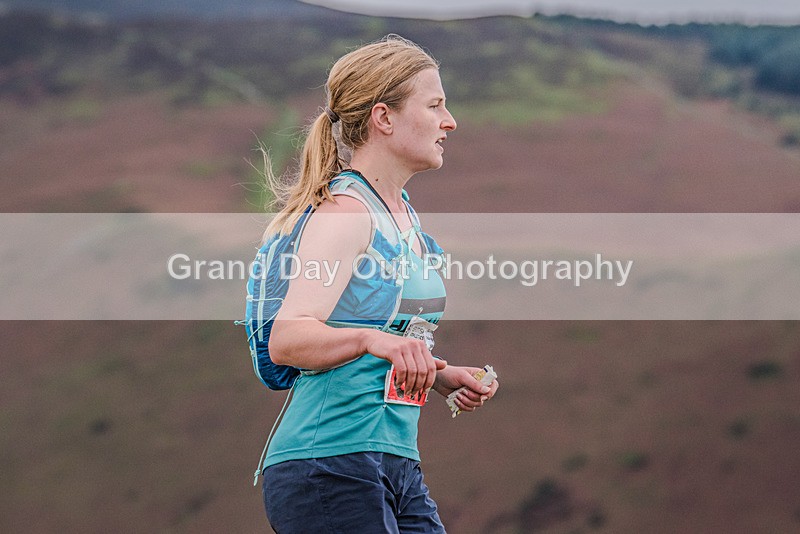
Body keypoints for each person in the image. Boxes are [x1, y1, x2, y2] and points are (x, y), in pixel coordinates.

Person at [259, 34, 500, 533]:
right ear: (384, 118)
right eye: (434, 105)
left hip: (394, 461)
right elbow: (288, 337)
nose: (450, 121)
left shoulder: (404, 218)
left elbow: (380, 333)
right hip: (327, 462)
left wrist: (438, 373)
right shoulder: (347, 213)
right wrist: (376, 341)